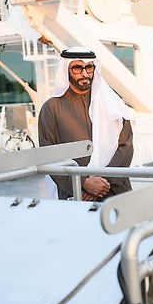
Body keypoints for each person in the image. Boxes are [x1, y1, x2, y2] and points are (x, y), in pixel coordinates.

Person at [38, 46, 134, 201]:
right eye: (77, 68)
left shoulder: (112, 102)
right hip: (76, 195)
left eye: (89, 67)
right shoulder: (51, 108)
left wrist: (102, 184)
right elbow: (49, 156)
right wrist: (83, 183)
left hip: (115, 192)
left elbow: (126, 147)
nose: (84, 73)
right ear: (66, 70)